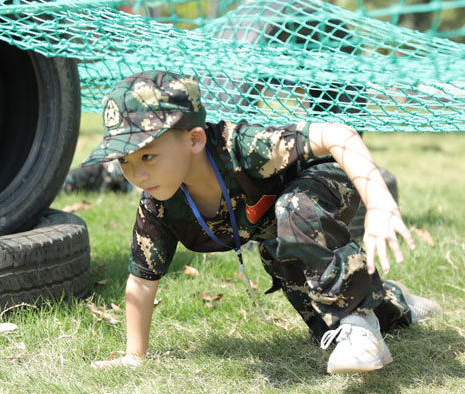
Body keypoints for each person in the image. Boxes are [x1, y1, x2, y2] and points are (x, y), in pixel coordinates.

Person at [85, 70, 441, 374]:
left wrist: (379, 203)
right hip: (282, 231)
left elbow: (339, 134)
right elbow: (141, 283)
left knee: (294, 209)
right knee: (311, 305)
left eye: (148, 155)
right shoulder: (159, 204)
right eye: (125, 162)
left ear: (194, 139)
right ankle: (394, 302)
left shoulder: (244, 147)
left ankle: (361, 332)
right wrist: (135, 356)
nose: (137, 173)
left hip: (319, 186)